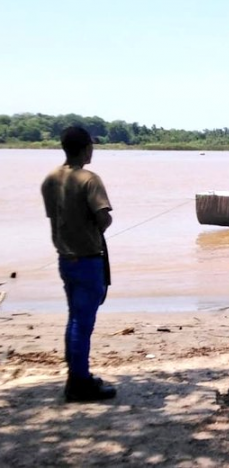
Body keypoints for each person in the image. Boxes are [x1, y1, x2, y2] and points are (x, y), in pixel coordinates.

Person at [41, 126, 117, 402]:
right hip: (87, 260)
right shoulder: (89, 179)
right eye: (91, 146)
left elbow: (55, 219)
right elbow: (104, 219)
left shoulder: (50, 179)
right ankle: (79, 383)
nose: (92, 150)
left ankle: (77, 375)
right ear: (86, 148)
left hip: (65, 260)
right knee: (83, 323)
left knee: (75, 319)